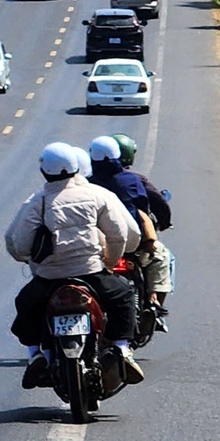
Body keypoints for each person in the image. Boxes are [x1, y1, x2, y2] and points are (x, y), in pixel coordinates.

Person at [2, 142, 144, 389]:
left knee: (25, 303)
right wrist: (109, 262)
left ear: (45, 171)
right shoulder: (97, 195)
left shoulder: (38, 202)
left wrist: (30, 259)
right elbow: (121, 234)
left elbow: (19, 244)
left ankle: (36, 354)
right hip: (91, 273)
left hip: (49, 279)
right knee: (123, 297)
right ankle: (122, 349)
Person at [89, 135, 174, 315]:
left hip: (98, 246)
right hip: (132, 245)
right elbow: (152, 204)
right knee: (162, 257)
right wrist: (164, 223)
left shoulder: (88, 184)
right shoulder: (134, 180)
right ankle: (154, 302)